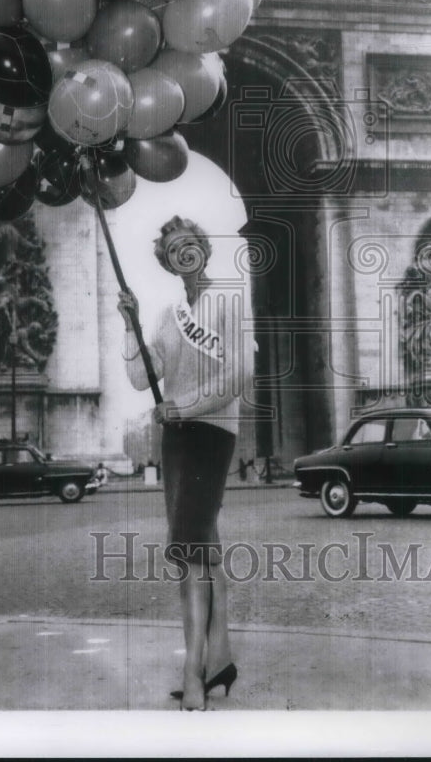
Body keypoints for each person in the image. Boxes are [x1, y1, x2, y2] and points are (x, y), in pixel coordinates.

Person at [118, 215, 247, 711]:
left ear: (204, 249)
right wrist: (129, 326)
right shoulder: (168, 315)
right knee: (203, 547)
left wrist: (184, 407)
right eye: (174, 248)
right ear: (168, 261)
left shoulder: (229, 301)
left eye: (190, 242)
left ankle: (193, 674)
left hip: (211, 433)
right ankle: (221, 659)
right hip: (176, 437)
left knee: (189, 548)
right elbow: (138, 377)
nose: (184, 251)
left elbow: (237, 377)